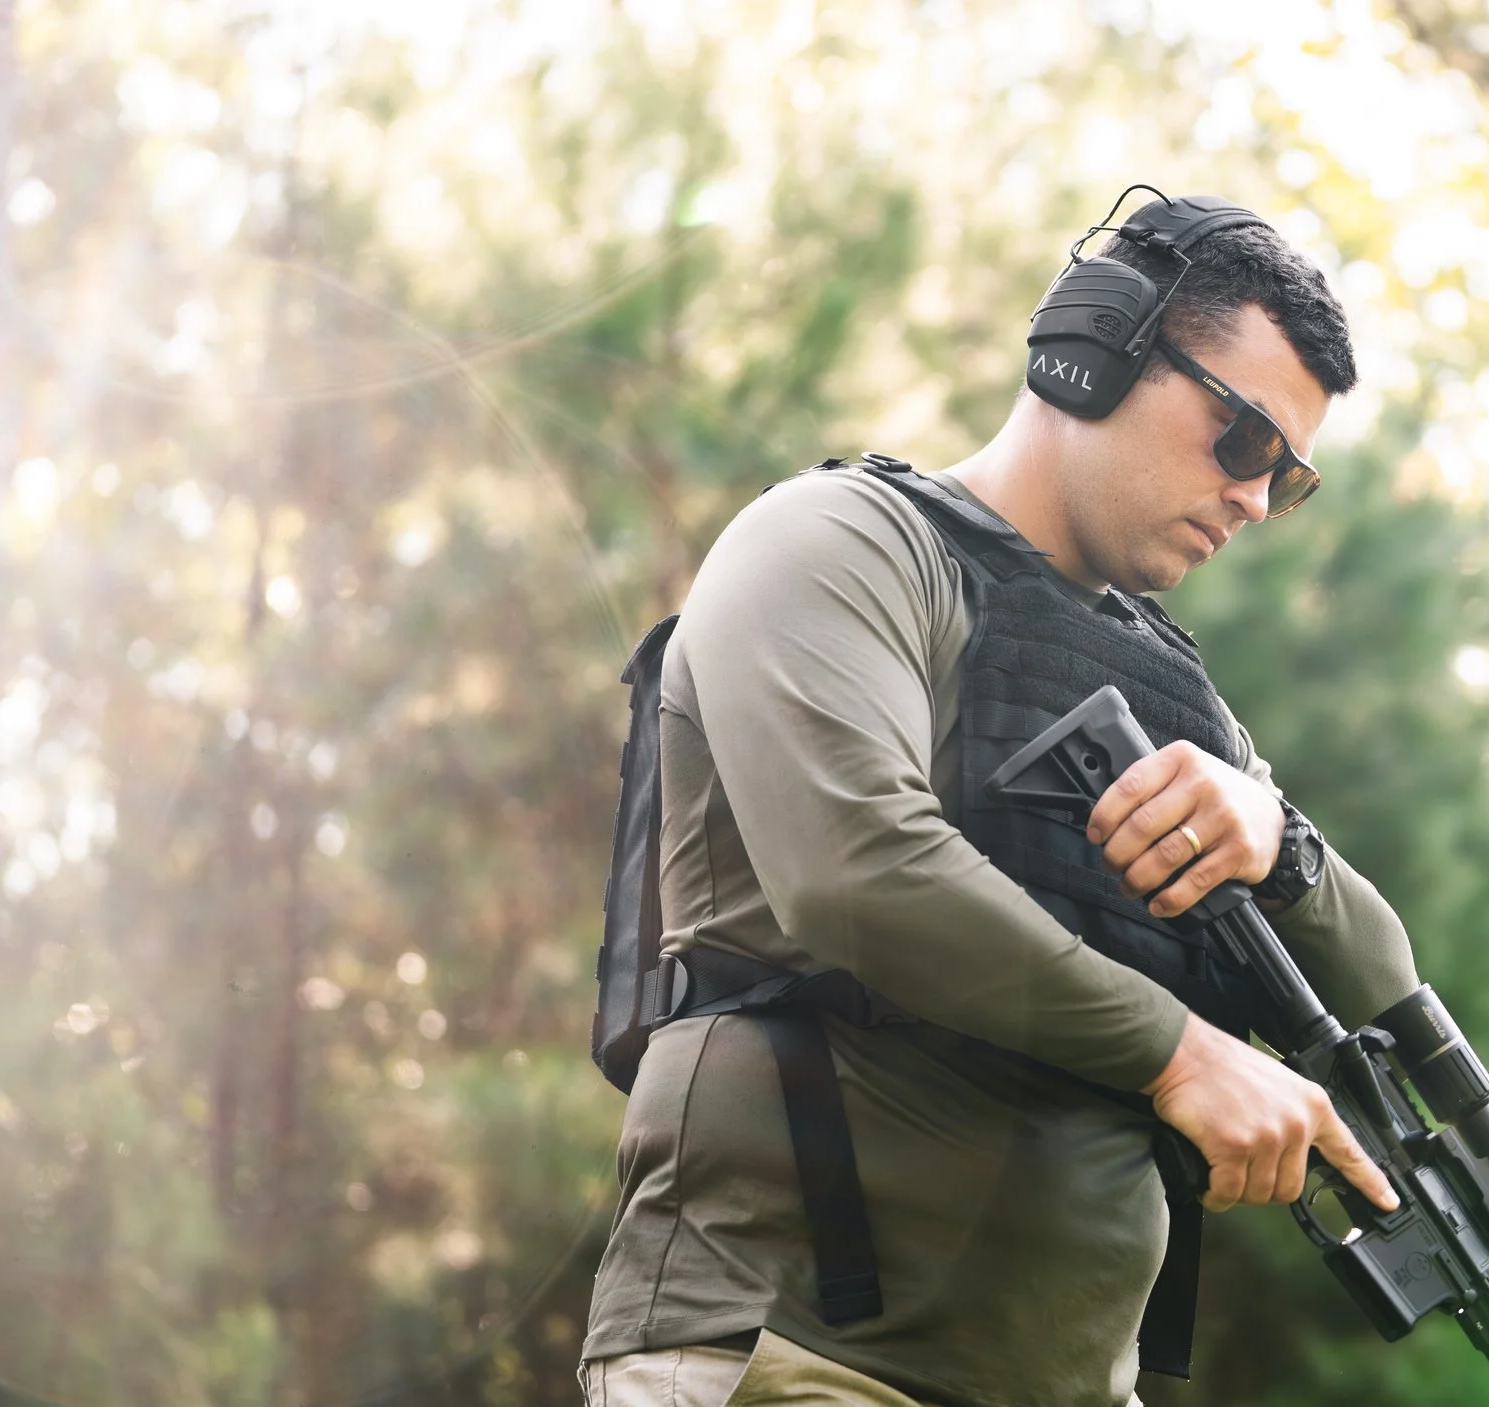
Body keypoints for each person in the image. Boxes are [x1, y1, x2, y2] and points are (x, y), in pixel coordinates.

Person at [578, 193, 1421, 1407]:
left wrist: (1278, 844)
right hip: (795, 1356)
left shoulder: (1176, 690)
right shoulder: (842, 543)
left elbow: (1381, 992)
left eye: (1287, 480)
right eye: (1242, 441)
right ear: (1095, 352)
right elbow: (857, 867)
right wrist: (1178, 1055)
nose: (1253, 498)